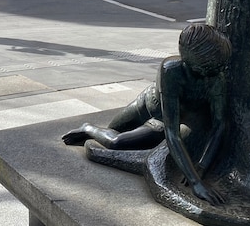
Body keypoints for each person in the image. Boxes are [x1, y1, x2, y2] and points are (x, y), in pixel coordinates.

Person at [61, 24, 230, 205]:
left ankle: (89, 129)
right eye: (214, 65)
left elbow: (218, 125)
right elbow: (173, 135)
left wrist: (201, 167)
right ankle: (88, 128)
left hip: (161, 122)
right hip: (147, 105)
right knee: (112, 131)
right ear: (195, 62)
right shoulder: (171, 70)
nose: (220, 69)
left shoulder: (216, 80)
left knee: (117, 142)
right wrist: (196, 182)